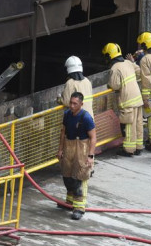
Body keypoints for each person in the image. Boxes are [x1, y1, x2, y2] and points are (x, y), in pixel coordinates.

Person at [56, 92, 96, 220]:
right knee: (67, 176)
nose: (72, 106)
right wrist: (60, 149)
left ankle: (79, 207)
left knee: (79, 177)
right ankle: (69, 202)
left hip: (82, 147)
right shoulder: (67, 114)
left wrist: (90, 156)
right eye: (71, 103)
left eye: (75, 104)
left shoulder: (86, 118)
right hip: (69, 146)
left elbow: (93, 137)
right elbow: (63, 132)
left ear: (81, 104)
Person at [103, 42, 144, 157]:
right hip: (137, 98)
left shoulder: (115, 68)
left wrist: (108, 85)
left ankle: (129, 149)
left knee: (129, 125)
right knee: (138, 123)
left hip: (127, 101)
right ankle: (138, 147)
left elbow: (115, 85)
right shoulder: (128, 63)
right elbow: (140, 73)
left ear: (108, 56)